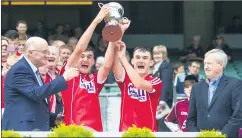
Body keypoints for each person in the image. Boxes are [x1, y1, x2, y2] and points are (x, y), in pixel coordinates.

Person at [2, 37, 79, 131]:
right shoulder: (21, 69)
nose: (48, 55)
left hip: (32, 128)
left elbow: (33, 105)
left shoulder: (34, 70)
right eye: (45, 52)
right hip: (21, 130)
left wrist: (54, 118)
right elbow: (35, 93)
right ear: (31, 53)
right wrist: (64, 78)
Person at [59, 5, 112, 131]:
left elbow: (108, 65)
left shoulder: (95, 79)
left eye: (89, 57)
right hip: (73, 130)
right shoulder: (69, 74)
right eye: (82, 57)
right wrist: (96, 21)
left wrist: (113, 35)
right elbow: (78, 49)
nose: (85, 59)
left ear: (93, 61)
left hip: (95, 131)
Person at [186, 49, 242, 137]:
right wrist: (197, 136)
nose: (206, 67)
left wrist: (222, 136)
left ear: (221, 64)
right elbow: (191, 119)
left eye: (209, 63)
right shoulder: (196, 87)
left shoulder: (235, 84)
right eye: (205, 63)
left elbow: (237, 116)